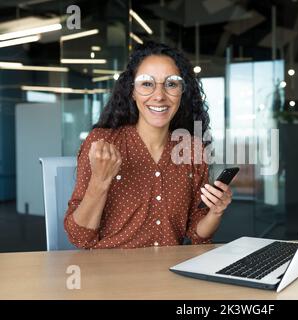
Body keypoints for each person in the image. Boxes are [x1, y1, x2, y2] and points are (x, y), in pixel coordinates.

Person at [64, 41, 232, 249]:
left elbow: (197, 234)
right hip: (109, 274)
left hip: (169, 273)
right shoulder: (103, 142)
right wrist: (100, 180)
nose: (159, 95)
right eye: (146, 84)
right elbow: (79, 237)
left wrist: (216, 211)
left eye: (171, 84)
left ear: (182, 92)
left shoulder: (192, 149)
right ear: (132, 91)